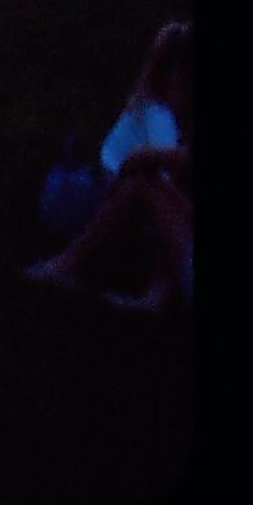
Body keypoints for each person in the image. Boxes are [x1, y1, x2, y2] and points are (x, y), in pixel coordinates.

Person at [26, 21, 192, 312]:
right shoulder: (159, 115)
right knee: (151, 182)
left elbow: (150, 166)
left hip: (124, 195)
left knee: (151, 182)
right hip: (107, 193)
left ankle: (69, 265)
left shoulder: (166, 116)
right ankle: (149, 287)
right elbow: (145, 167)